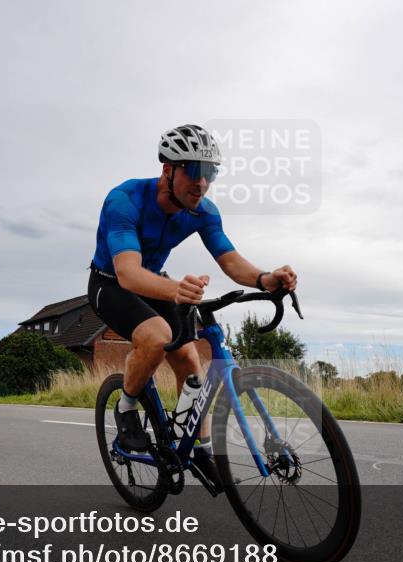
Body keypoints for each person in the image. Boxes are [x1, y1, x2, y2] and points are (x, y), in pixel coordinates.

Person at [88, 124, 298, 469]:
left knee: (188, 359)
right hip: (109, 282)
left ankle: (197, 445)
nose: (202, 182)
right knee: (156, 338)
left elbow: (229, 260)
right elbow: (127, 272)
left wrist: (264, 278)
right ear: (168, 170)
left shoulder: (204, 211)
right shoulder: (124, 201)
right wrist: (176, 289)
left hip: (154, 280)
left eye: (211, 172)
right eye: (194, 171)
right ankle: (126, 407)